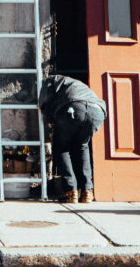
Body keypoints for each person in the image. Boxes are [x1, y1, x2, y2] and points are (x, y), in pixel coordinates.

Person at [37, 74, 107, 203]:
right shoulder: (75, 84)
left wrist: (52, 124)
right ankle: (87, 191)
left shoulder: (48, 81)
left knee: (61, 147)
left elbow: (45, 104)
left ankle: (70, 191)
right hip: (97, 112)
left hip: (74, 108)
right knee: (82, 146)